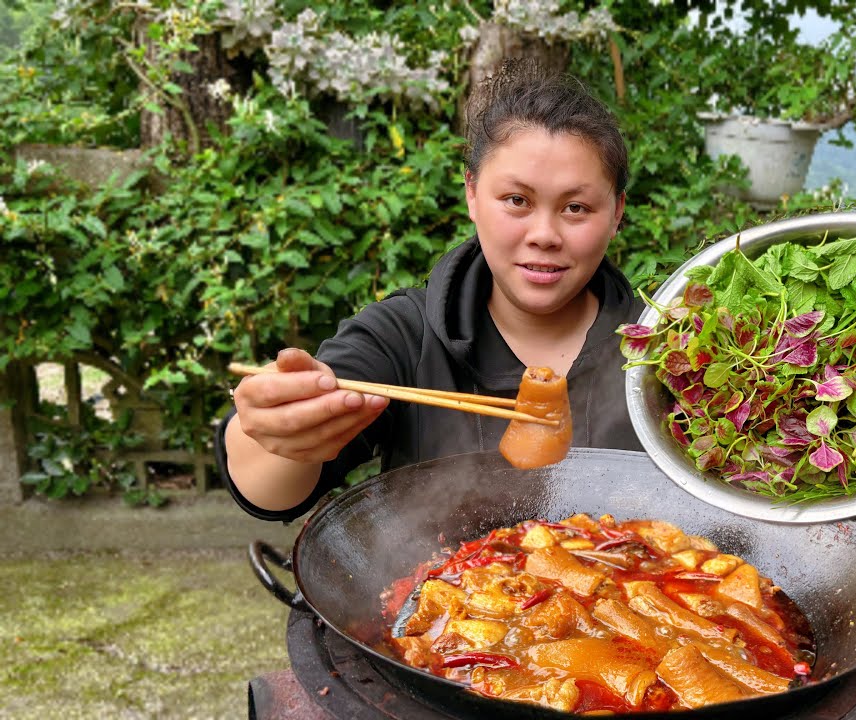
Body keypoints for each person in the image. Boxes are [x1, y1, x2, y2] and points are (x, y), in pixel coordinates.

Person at [215, 63, 644, 522]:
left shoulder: (661, 350)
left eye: (576, 208)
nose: (544, 234)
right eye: (517, 200)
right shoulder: (404, 335)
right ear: (472, 194)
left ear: (616, 213)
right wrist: (276, 429)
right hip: (443, 586)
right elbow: (266, 489)